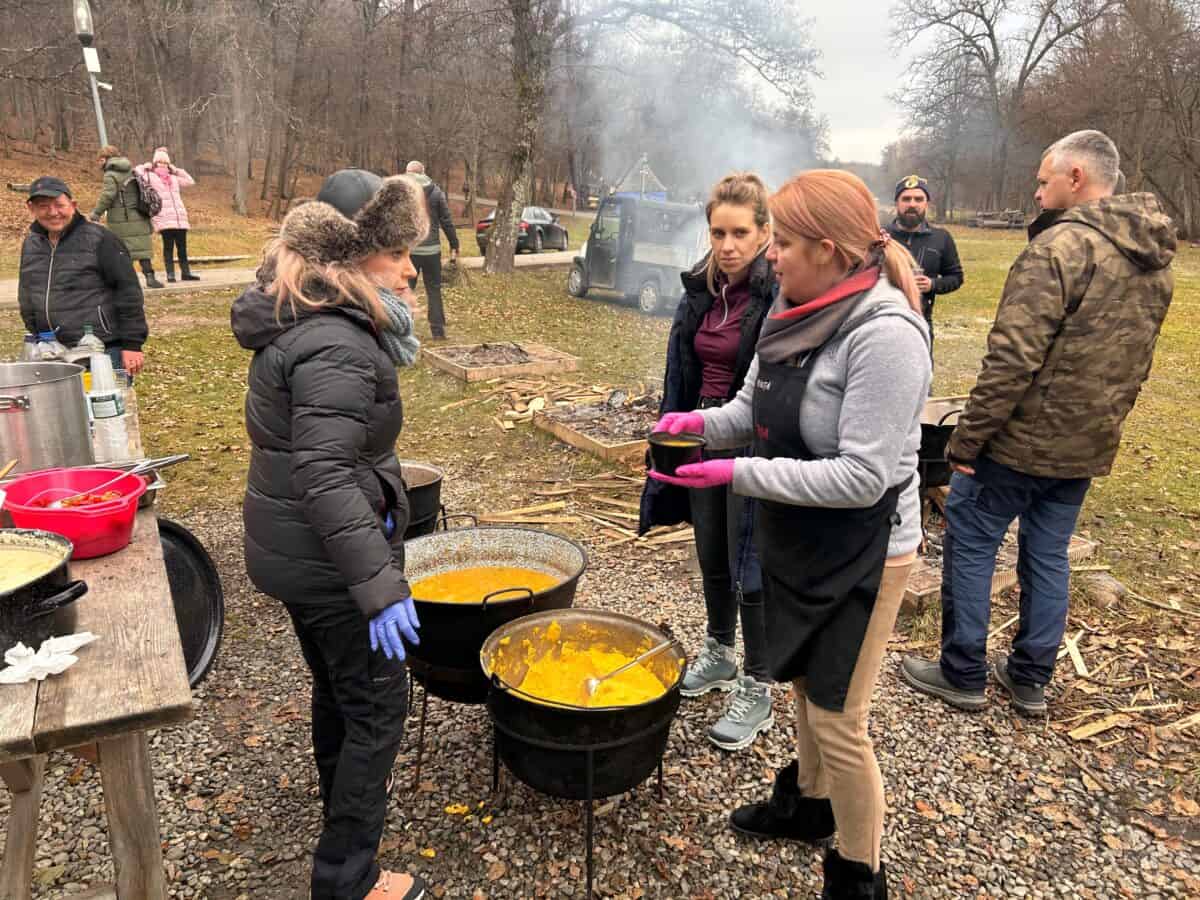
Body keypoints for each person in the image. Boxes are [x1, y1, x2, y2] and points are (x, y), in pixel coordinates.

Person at [651, 170, 931, 898]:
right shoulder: (793, 302)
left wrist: (736, 476)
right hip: (803, 534)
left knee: (840, 716)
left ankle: (857, 871)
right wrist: (697, 426)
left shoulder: (886, 334)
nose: (771, 254)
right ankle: (808, 807)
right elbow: (749, 406)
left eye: (787, 242)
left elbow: (863, 479)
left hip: (869, 548)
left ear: (832, 248)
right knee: (803, 683)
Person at [901, 130, 1175, 718]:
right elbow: (1138, 363)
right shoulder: (1154, 262)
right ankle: (1030, 678)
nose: (1037, 187)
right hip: (1085, 444)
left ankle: (963, 672)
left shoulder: (1059, 249)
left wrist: (968, 438)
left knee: (971, 544)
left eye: (1045, 177)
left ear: (1077, 177)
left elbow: (1012, 358)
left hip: (1018, 445)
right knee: (1048, 553)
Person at [232, 168, 430, 900]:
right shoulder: (338, 342)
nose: (411, 269)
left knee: (341, 693)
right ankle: (349, 877)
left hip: (299, 556)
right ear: (351, 257)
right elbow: (322, 474)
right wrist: (379, 589)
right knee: (378, 708)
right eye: (399, 253)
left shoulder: (304, 318)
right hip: (332, 566)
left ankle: (338, 827)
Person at [639, 172, 775, 751]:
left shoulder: (777, 293)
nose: (727, 246)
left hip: (754, 440)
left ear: (765, 232)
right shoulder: (700, 287)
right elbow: (681, 365)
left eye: (740, 232)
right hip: (701, 434)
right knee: (712, 552)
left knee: (752, 565)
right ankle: (720, 651)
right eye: (718, 232)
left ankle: (760, 683)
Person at [18, 176, 148, 375]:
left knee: (104, 406)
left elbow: (128, 291)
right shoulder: (31, 244)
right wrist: (35, 332)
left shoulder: (101, 239)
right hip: (51, 350)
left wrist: (132, 344)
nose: (53, 213)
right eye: (43, 206)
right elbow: (27, 292)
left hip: (101, 349)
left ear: (73, 205)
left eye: (59, 205)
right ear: (31, 208)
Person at [886, 174, 963, 361]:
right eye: (906, 199)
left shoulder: (941, 238)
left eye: (919, 199)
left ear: (927, 203)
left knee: (921, 380)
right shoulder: (880, 236)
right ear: (897, 203)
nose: (912, 204)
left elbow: (956, 277)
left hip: (921, 319)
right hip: (881, 319)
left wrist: (932, 284)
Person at [91, 145, 162, 289]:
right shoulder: (131, 171)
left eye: (100, 160)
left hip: (121, 218)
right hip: (139, 214)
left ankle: (126, 282)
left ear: (106, 159)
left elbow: (107, 196)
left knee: (122, 251)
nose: (99, 163)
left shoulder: (110, 175)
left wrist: (96, 213)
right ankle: (150, 278)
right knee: (142, 250)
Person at [403, 160, 459, 340]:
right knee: (434, 291)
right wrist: (454, 243)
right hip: (432, 251)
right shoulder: (436, 192)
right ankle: (438, 332)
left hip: (410, 251)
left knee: (405, 290)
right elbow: (447, 221)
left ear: (409, 173)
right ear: (424, 172)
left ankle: (405, 331)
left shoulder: (403, 191)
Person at [136, 147, 199, 283]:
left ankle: (186, 272)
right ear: (155, 163)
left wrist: (177, 170)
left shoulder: (174, 177)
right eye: (159, 162)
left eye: (165, 162)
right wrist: (145, 166)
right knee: (168, 247)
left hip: (179, 218)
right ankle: (170, 273)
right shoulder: (150, 176)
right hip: (164, 217)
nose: (163, 165)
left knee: (182, 247)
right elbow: (137, 173)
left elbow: (190, 181)